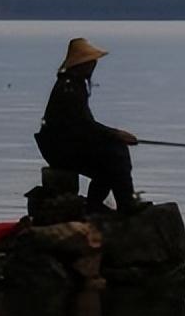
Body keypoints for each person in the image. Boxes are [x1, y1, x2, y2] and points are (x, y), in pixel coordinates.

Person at [35, 38, 140, 214]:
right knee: (116, 155)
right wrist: (116, 134)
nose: (93, 65)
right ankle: (124, 204)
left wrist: (113, 136)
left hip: (65, 144)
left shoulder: (74, 85)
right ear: (81, 64)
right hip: (60, 149)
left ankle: (95, 205)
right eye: (90, 62)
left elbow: (84, 127)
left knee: (112, 155)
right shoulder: (69, 88)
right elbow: (83, 125)